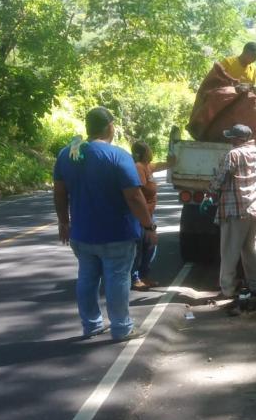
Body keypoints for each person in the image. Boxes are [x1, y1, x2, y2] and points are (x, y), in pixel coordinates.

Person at [53, 107, 157, 342]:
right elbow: (134, 197)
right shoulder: (118, 156)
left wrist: (63, 222)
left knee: (87, 278)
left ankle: (91, 325)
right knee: (117, 278)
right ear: (110, 126)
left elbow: (59, 194)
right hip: (116, 234)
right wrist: (148, 227)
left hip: (81, 234)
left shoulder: (67, 154)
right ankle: (121, 328)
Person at [206, 124, 256, 306]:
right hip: (255, 208)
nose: (230, 140)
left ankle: (227, 289)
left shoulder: (233, 154)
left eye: (232, 137)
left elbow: (221, 178)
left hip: (235, 209)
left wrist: (209, 192)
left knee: (229, 251)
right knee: (253, 249)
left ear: (239, 139)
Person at [129, 141, 175, 291]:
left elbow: (158, 166)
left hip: (149, 214)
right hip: (140, 215)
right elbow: (138, 193)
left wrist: (171, 163)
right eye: (149, 150)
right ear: (142, 153)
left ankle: (144, 275)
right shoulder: (138, 168)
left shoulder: (147, 167)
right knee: (139, 247)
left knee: (150, 246)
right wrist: (145, 219)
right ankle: (135, 277)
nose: (151, 152)